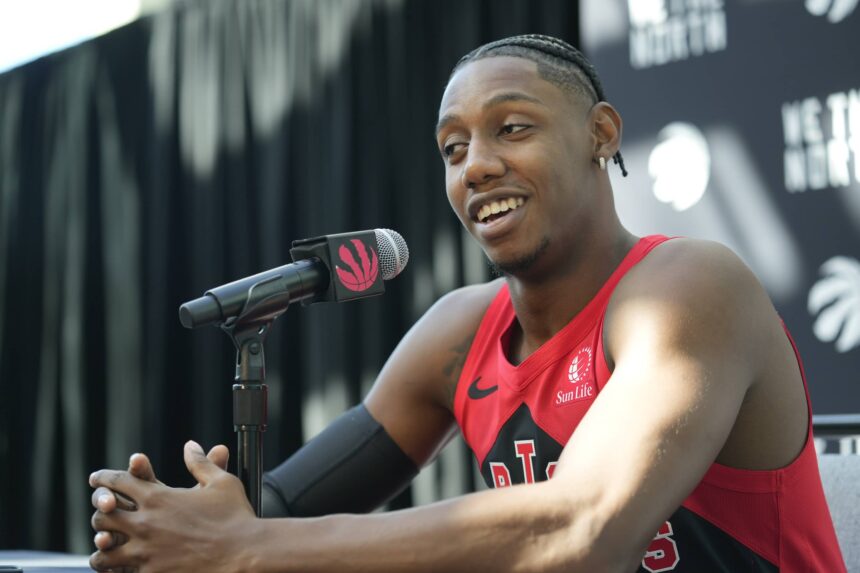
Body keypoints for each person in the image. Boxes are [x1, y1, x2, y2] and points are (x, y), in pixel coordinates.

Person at [88, 34, 845, 572]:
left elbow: (585, 529)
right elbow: (287, 504)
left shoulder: (691, 285)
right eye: (453, 149)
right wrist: (180, 523)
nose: (477, 166)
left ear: (600, 134)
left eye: (511, 128)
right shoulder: (461, 331)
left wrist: (249, 548)